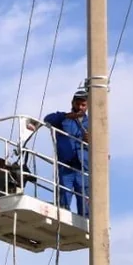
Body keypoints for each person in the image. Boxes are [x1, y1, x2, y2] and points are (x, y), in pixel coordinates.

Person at [30, 88, 90, 216]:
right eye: (77, 104)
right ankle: (62, 217)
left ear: (87, 106)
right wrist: (67, 116)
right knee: (64, 198)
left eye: (83, 105)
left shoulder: (92, 123)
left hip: (83, 168)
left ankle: (87, 222)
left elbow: (101, 145)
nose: (80, 107)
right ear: (72, 103)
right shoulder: (62, 119)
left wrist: (91, 140)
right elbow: (48, 118)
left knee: (85, 200)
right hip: (66, 166)